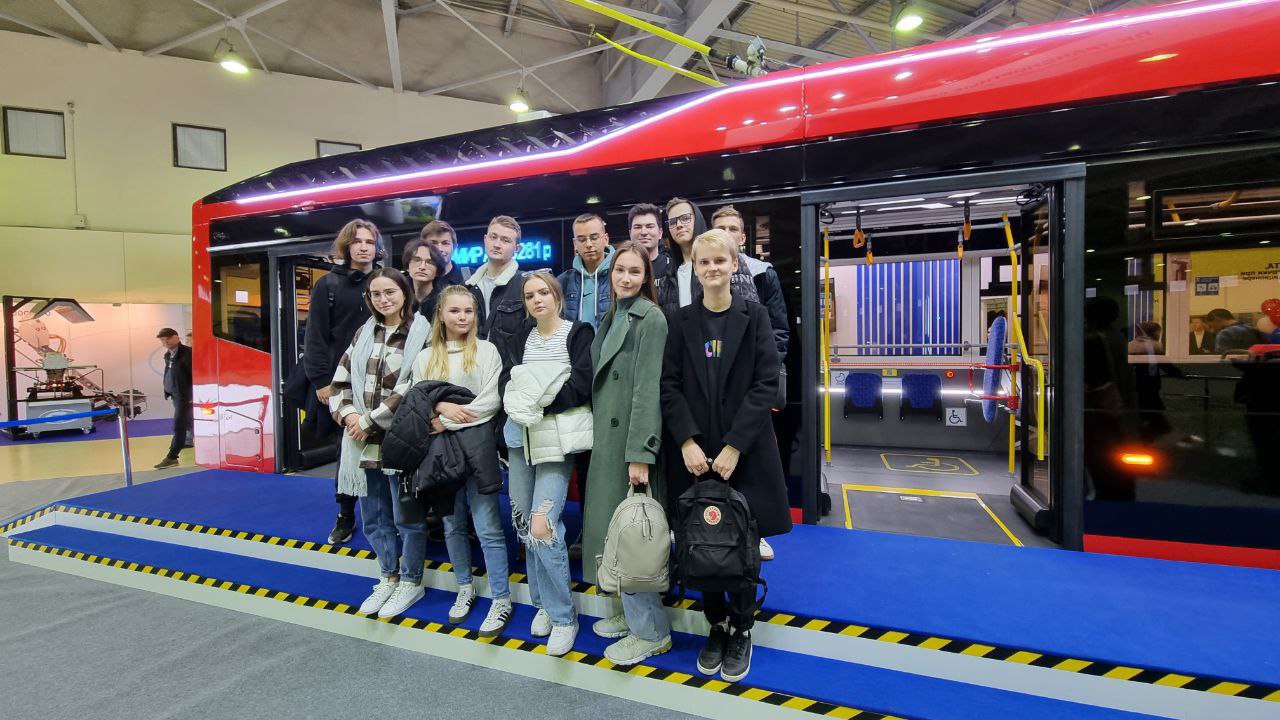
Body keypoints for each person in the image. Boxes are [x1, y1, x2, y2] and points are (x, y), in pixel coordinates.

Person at [661, 229, 792, 682]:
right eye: (705, 262)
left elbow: (765, 383)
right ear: (694, 269)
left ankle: (742, 627)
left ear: (735, 265)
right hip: (696, 453)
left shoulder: (754, 317)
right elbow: (669, 386)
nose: (713, 268)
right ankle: (715, 625)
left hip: (745, 450)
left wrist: (735, 444)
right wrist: (686, 441)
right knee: (701, 539)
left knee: (742, 543)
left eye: (721, 261)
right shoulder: (681, 321)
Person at [583, 241, 672, 665]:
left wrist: (641, 453)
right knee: (616, 534)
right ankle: (628, 612)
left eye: (635, 271)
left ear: (646, 277)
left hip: (629, 445)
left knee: (636, 539)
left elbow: (646, 390)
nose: (626, 278)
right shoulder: (614, 314)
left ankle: (651, 632)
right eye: (620, 270)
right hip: (608, 439)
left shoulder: (650, 318)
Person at [500, 271, 595, 656]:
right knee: (525, 523)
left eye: (543, 292)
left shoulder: (579, 333)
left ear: (557, 296)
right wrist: (530, 394)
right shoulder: (521, 335)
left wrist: (537, 398)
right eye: (529, 295)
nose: (537, 300)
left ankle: (563, 617)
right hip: (519, 436)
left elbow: (581, 385)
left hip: (556, 440)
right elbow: (510, 383)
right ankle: (541, 602)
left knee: (543, 525)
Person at [329, 268, 432, 619]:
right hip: (360, 440)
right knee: (373, 516)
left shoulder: (422, 333)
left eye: (390, 292)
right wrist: (349, 416)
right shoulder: (363, 332)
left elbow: (414, 385)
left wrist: (370, 421)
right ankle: (388, 575)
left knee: (407, 517)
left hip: (398, 439)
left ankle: (411, 581)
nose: (383, 299)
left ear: (405, 293)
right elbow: (341, 380)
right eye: (376, 294)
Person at [411, 286, 512, 637]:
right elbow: (418, 397)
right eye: (455, 311)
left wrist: (446, 418)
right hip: (439, 452)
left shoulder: (487, 350)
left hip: (477, 448)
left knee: (487, 526)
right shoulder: (426, 356)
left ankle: (501, 597)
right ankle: (464, 587)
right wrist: (439, 408)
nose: (463, 317)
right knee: (452, 524)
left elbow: (491, 401)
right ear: (441, 314)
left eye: (468, 311)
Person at [305, 219, 383, 544]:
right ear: (347, 246)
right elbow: (315, 335)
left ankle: (385, 514)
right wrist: (322, 381)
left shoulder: (386, 281)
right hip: (343, 382)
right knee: (347, 449)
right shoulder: (328, 285)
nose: (364, 247)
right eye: (357, 241)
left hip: (382, 380)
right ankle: (345, 513)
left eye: (370, 242)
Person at [709, 205, 791, 361]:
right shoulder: (703, 273)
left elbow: (778, 329)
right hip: (715, 361)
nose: (726, 233)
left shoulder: (763, 273)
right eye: (721, 229)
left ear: (743, 238)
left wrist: (768, 366)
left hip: (756, 363)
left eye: (733, 229)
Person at [465, 216, 526, 354]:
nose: (497, 244)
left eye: (505, 240)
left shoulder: (525, 284)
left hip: (511, 365)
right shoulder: (467, 287)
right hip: (471, 362)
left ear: (517, 248)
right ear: (485, 239)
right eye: (493, 237)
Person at [558, 213, 615, 329]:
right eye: (582, 239)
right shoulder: (563, 281)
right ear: (575, 244)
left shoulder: (619, 276)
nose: (588, 244)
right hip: (575, 340)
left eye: (594, 238)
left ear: (605, 239)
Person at [153, 328, 193, 469]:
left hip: (184, 397)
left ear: (176, 337)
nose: (165, 342)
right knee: (187, 422)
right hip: (175, 395)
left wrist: (191, 395)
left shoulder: (188, 353)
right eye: (162, 340)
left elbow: (194, 376)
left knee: (179, 425)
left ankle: (172, 456)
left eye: (168, 338)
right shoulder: (168, 355)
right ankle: (187, 441)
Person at [404, 236, 450, 322]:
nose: (422, 267)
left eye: (430, 262)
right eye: (417, 260)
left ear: (437, 271)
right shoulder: (400, 299)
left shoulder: (444, 301)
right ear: (408, 266)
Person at [421, 219, 470, 285]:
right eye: (433, 243)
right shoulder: (412, 282)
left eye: (445, 243)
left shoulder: (472, 277)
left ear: (454, 247)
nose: (439, 249)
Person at [629, 203, 668, 277]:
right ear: (630, 233)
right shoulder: (620, 268)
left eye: (650, 227)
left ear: (660, 233)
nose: (644, 232)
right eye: (638, 227)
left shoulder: (674, 267)